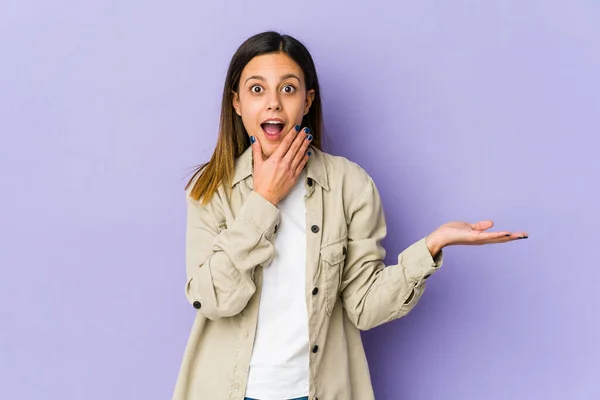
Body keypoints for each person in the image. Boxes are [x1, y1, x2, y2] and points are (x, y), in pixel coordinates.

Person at [172, 31, 528, 400]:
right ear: (237, 103)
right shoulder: (210, 189)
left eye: (289, 89)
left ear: (308, 100)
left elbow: (364, 309)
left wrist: (431, 247)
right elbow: (212, 300)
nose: (273, 104)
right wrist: (265, 199)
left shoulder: (350, 185)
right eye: (257, 89)